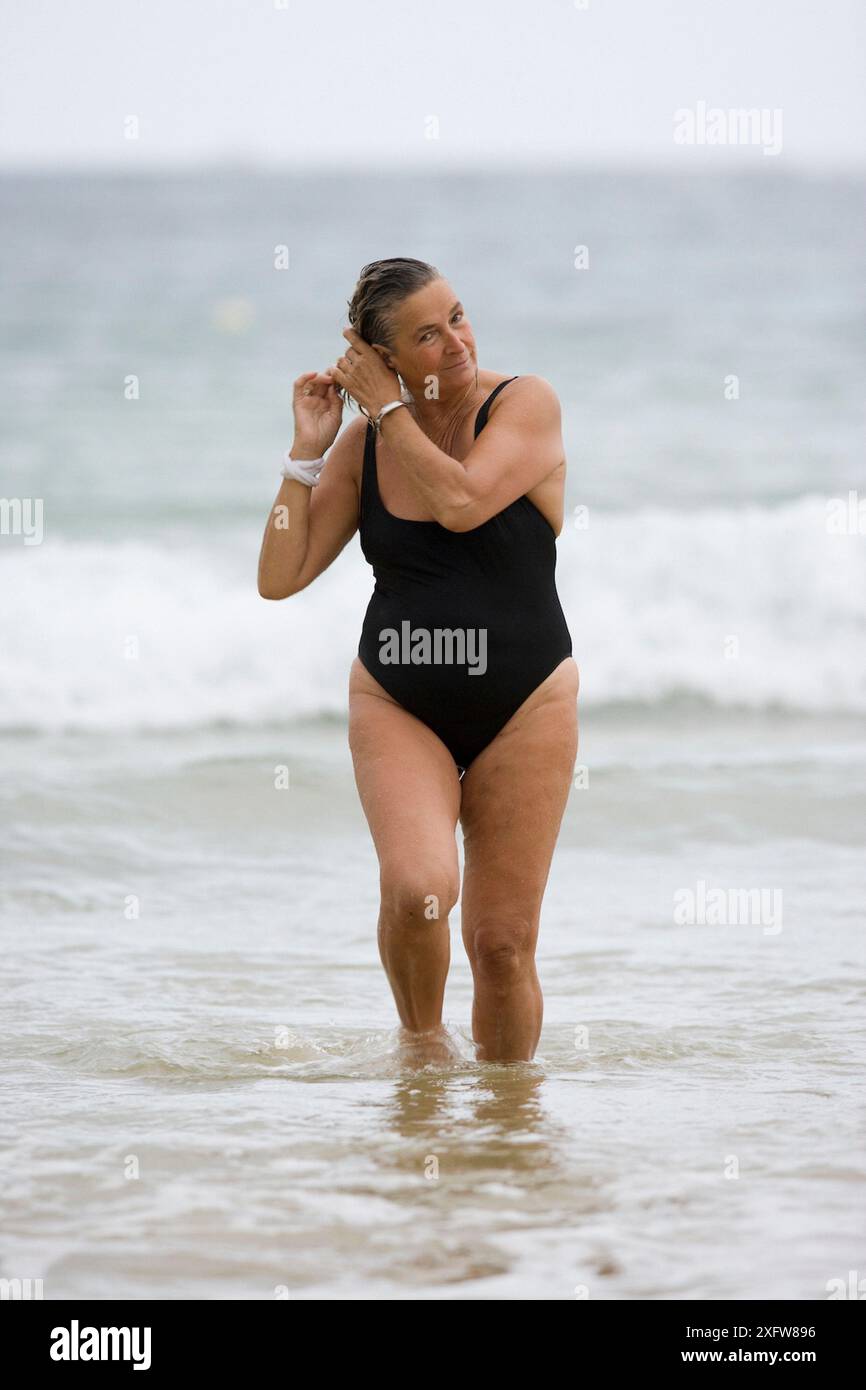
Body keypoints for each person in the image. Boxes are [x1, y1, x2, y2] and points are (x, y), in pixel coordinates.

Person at [258, 258, 579, 1064]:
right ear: (387, 358)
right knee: (419, 893)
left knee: (502, 944)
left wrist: (389, 407)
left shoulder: (525, 404)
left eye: (459, 317)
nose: (457, 343)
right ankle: (423, 1060)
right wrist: (306, 455)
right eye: (428, 336)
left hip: (527, 700)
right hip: (399, 697)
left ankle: (509, 1125)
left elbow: (464, 501)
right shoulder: (367, 446)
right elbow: (279, 576)